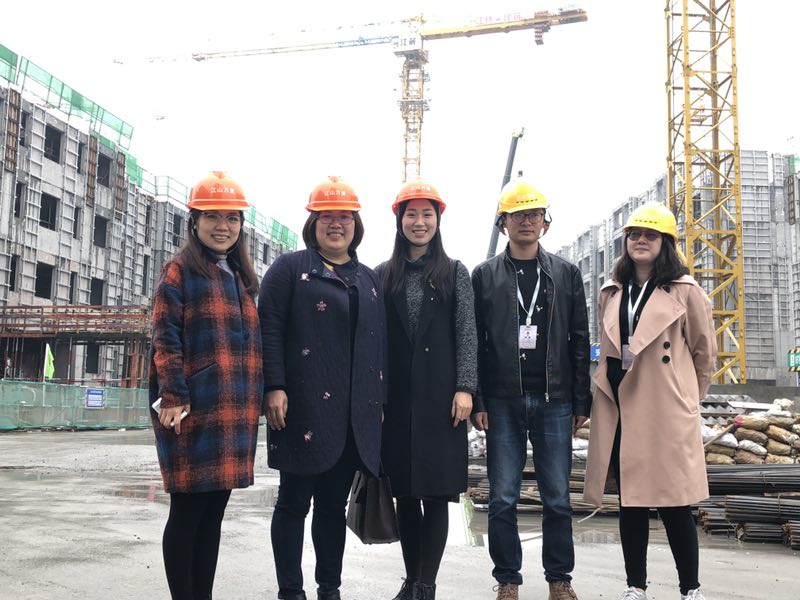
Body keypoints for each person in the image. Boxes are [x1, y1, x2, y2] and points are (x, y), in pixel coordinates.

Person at [259, 176, 386, 600]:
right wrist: (274, 386)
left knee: (333, 506)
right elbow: (269, 329)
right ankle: (290, 591)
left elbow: (379, 345)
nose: (336, 224)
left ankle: (329, 589)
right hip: (302, 407)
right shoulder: (290, 269)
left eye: (344, 217)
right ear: (312, 223)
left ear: (356, 224)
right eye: (326, 216)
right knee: (294, 502)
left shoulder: (368, 279)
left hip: (352, 415)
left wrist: (379, 401)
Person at [583, 203, 716, 600]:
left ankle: (690, 588)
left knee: (676, 503)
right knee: (632, 502)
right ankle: (635, 586)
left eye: (650, 235)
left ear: (665, 243)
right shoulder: (612, 292)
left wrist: (686, 399)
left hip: (665, 408)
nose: (640, 241)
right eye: (634, 235)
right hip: (620, 404)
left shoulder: (686, 291)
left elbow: (704, 353)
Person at [471, 178, 590, 600]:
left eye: (534, 214)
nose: (527, 221)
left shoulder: (565, 273)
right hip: (501, 400)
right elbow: (475, 342)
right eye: (518, 215)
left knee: (557, 496)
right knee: (503, 496)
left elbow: (579, 338)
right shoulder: (484, 276)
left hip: (555, 399)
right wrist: (478, 398)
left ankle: (559, 579)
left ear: (545, 221)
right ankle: (508, 579)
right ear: (503, 223)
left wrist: (581, 399)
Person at [149, 171, 263, 600]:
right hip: (193, 409)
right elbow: (165, 337)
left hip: (234, 410)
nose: (222, 226)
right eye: (212, 216)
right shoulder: (179, 272)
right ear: (194, 221)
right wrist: (173, 395)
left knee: (213, 514)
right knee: (187, 511)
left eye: (232, 218)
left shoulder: (240, 276)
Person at [376, 179, 478, 600]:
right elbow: (376, 340)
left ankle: (426, 584)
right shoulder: (384, 275)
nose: (419, 223)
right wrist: (376, 397)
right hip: (398, 400)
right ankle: (411, 579)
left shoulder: (454, 273)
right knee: (404, 493)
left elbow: (467, 333)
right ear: (400, 221)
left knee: (436, 494)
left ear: (438, 220)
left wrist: (465, 387)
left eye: (427, 215)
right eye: (411, 215)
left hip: (442, 399)